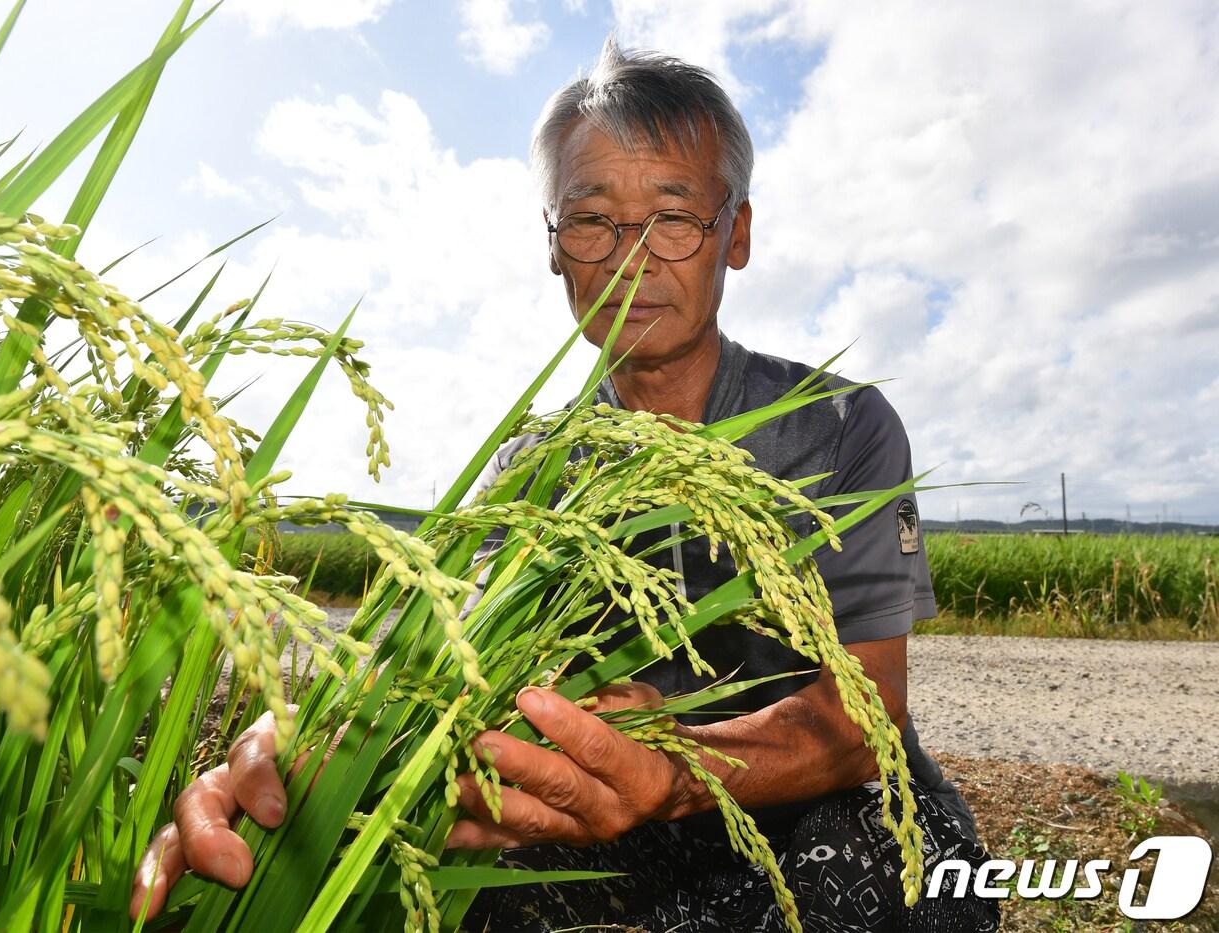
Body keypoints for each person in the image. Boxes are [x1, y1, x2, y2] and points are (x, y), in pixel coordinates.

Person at [131, 39, 1001, 932]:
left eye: (674, 218)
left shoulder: (840, 426)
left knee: (891, 880)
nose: (632, 261)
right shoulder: (534, 467)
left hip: (816, 812)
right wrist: (315, 735)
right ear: (554, 246)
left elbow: (867, 716)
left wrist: (677, 764)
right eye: (592, 222)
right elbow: (447, 658)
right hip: (614, 821)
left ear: (735, 234)